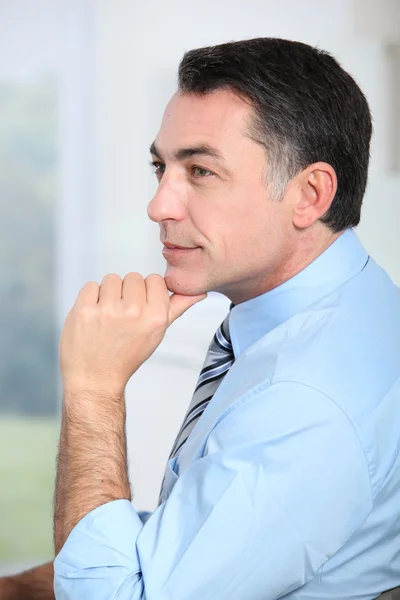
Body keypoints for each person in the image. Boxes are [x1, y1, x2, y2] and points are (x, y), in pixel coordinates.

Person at [1, 37, 400, 600]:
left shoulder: (307, 401)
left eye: (201, 171)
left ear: (310, 194)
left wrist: (93, 389)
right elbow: (201, 534)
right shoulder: (337, 310)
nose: (159, 205)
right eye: (161, 167)